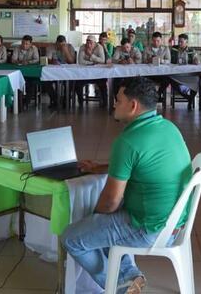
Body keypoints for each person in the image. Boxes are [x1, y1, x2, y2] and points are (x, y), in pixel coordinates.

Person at [61, 78, 192, 293]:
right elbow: (142, 163)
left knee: (72, 238)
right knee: (102, 225)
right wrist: (100, 167)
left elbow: (111, 202)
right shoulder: (168, 127)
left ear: (133, 105)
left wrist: (94, 217)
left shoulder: (128, 141)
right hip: (175, 223)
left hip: (150, 229)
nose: (114, 104)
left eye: (118, 100)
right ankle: (130, 277)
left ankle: (119, 286)